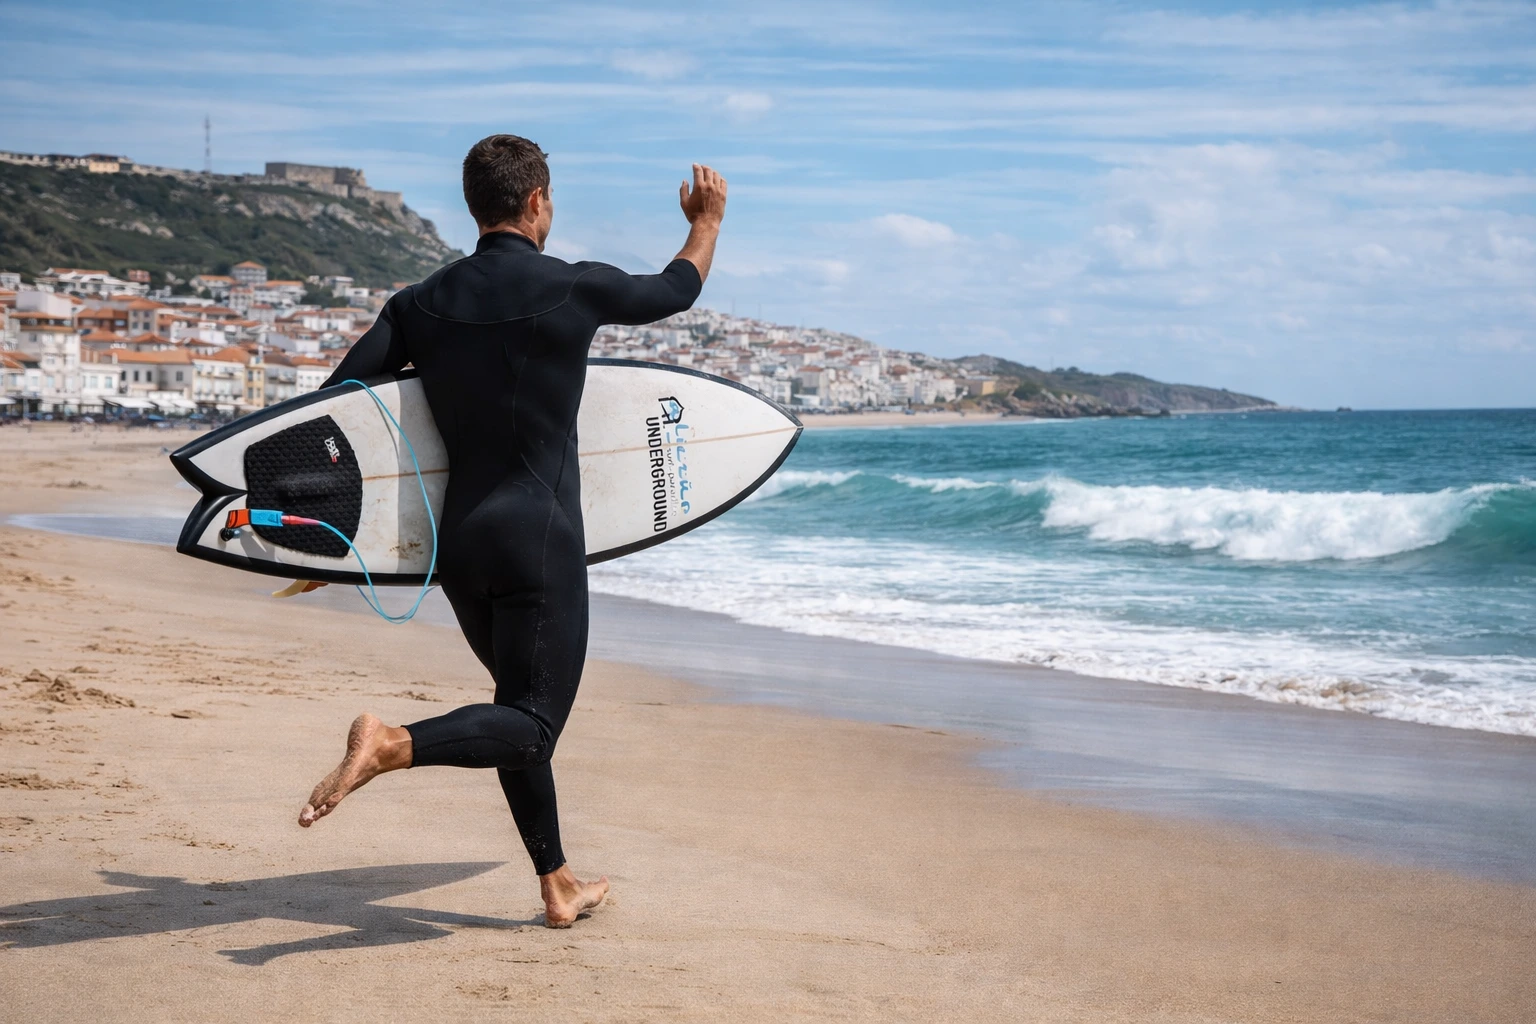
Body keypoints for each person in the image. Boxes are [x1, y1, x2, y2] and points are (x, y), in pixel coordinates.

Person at [297, 135, 726, 928]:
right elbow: (674, 289)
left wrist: (326, 531)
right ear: (536, 202)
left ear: (475, 205)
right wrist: (707, 222)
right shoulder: (572, 288)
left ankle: (558, 881)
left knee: (516, 711)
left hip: (463, 548)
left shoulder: (417, 304)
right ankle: (390, 743)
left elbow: (337, 410)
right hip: (539, 537)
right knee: (530, 722)